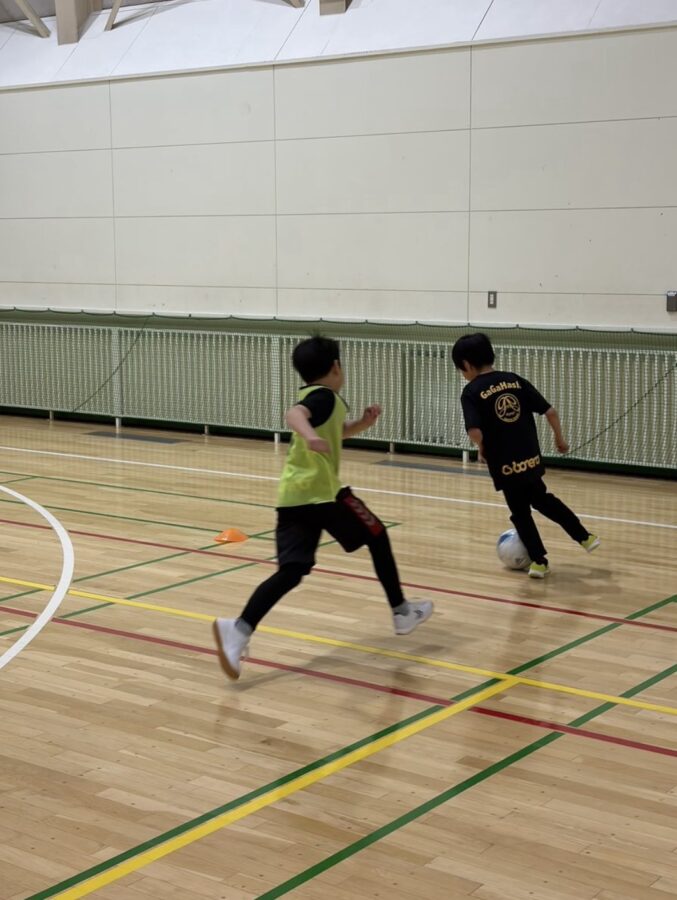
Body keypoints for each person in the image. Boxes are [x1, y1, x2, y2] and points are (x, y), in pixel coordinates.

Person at [213, 336, 433, 679]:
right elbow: (294, 414)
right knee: (376, 535)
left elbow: (335, 431)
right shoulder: (323, 396)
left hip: (293, 497)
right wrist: (310, 436)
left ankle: (238, 629)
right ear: (335, 367)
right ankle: (402, 611)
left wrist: (362, 424)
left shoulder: (323, 401)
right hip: (323, 494)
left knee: (291, 571)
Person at [451, 332, 600, 578]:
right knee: (542, 498)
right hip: (530, 455)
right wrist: (560, 439)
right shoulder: (514, 380)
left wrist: (482, 447)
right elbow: (550, 412)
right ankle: (584, 536)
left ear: (466, 364)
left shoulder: (471, 391)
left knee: (520, 512)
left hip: (505, 462)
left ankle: (539, 561)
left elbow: (475, 431)